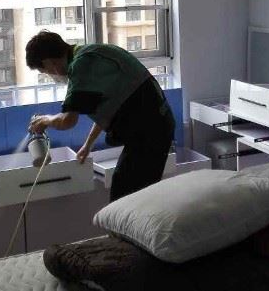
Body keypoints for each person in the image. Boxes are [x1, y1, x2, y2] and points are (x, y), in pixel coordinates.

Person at [25, 31, 174, 201]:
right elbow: (108, 107)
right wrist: (88, 145)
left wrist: (45, 120)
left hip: (150, 132)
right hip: (154, 127)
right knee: (131, 193)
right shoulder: (92, 54)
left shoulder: (81, 66)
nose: (51, 76)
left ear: (49, 62)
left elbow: (68, 120)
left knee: (124, 196)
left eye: (45, 71)